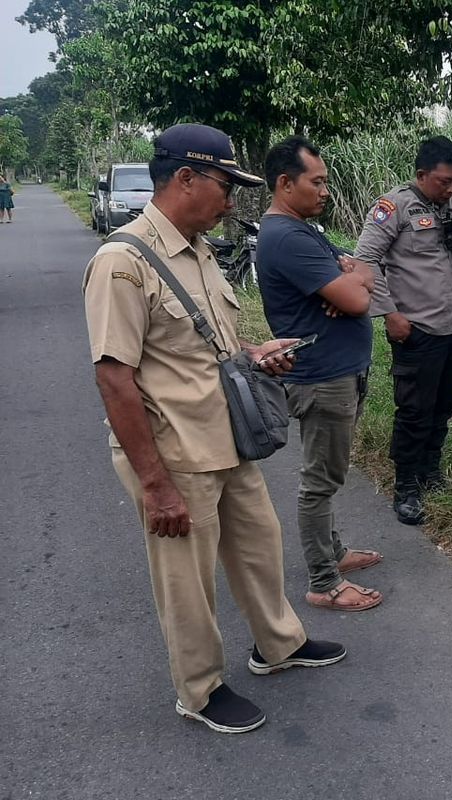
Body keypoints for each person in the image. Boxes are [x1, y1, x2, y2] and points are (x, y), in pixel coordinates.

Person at [82, 123, 345, 735]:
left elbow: (203, 348)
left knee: (258, 543)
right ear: (186, 179)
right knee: (187, 581)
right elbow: (114, 378)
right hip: (174, 454)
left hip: (226, 435)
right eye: (226, 184)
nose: (232, 199)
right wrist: (156, 485)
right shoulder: (122, 263)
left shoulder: (199, 248)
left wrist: (255, 353)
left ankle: (279, 644)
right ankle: (198, 690)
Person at [256, 136, 384, 612]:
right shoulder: (287, 237)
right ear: (285, 184)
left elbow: (362, 272)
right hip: (322, 378)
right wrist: (350, 285)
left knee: (329, 473)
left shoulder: (301, 230)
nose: (325, 191)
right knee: (319, 481)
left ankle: (333, 551)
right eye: (317, 182)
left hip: (338, 372)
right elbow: (358, 296)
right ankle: (324, 580)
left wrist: (353, 277)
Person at [355, 135, 452, 525]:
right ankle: (406, 485)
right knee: (414, 409)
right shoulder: (393, 206)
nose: (451, 188)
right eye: (444, 181)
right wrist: (389, 313)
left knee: (445, 403)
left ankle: (430, 471)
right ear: (421, 174)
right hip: (416, 327)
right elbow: (365, 260)